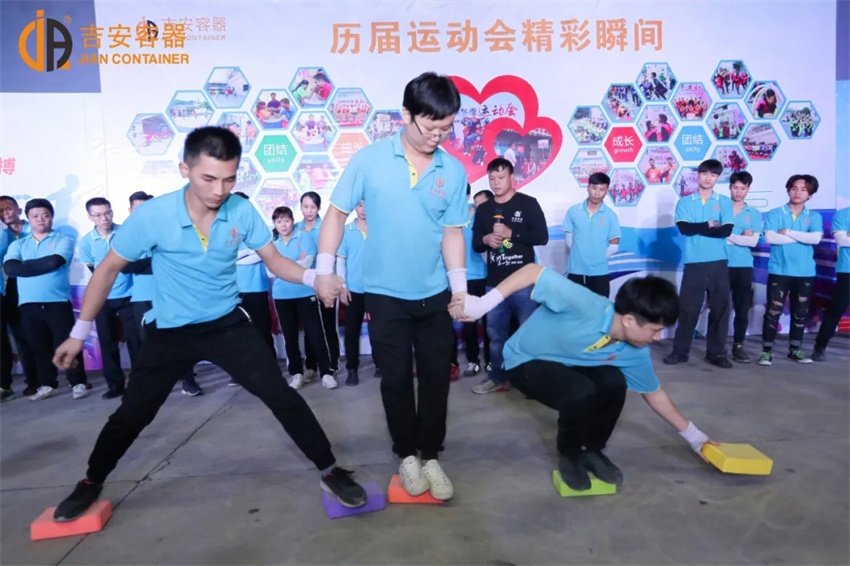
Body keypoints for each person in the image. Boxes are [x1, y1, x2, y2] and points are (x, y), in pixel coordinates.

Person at [50, 127, 366, 522]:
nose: (220, 190)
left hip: (227, 326)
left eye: (229, 179)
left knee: (282, 396)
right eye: (209, 178)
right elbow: (108, 269)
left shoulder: (240, 211)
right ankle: (91, 481)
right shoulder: (154, 215)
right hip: (171, 332)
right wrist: (79, 333)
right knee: (133, 413)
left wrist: (312, 277)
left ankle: (330, 469)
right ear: (185, 169)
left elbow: (273, 260)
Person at [313, 72, 468, 501]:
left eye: (446, 128)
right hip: (384, 294)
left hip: (434, 294)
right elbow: (336, 213)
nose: (438, 136)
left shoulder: (453, 170)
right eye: (430, 126)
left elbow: (453, 232)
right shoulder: (370, 160)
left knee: (436, 378)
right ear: (406, 115)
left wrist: (458, 288)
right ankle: (406, 454)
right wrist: (324, 269)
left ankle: (431, 454)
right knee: (395, 379)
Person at [459, 264, 718, 490]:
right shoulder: (584, 304)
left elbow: (654, 394)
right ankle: (569, 455)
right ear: (629, 320)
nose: (658, 338)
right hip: (525, 359)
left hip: (568, 363)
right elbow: (532, 272)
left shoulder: (636, 351)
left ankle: (592, 451)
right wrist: (482, 304)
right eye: (654, 330)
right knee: (580, 391)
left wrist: (695, 437)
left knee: (614, 383)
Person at [471, 157, 549, 394]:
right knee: (496, 336)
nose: (496, 182)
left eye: (501, 177)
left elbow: (542, 237)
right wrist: (486, 239)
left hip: (525, 284)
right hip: (495, 285)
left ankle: (534, 382)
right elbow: (476, 244)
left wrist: (510, 233)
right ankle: (498, 377)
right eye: (492, 178)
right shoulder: (484, 210)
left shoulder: (528, 203)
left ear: (512, 178)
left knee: (529, 334)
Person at [3, 199, 90, 401]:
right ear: (28, 218)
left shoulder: (63, 240)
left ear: (51, 217)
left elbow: (54, 262)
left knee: (66, 343)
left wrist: (25, 266)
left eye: (45, 215)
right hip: (28, 304)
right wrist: (37, 265)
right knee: (38, 347)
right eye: (35, 216)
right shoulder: (18, 244)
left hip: (57, 302)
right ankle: (48, 384)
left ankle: (77, 382)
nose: (40, 219)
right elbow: (10, 268)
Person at [125, 191, 203, 395]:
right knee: (148, 344)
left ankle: (188, 382)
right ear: (130, 211)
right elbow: (126, 266)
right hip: (142, 297)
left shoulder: (171, 231)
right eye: (138, 208)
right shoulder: (126, 235)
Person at [664, 159, 734, 369]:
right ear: (698, 175)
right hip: (694, 264)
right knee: (688, 310)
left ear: (718, 177)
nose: (708, 178)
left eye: (713, 174)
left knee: (720, 310)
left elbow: (725, 231)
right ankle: (680, 352)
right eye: (705, 173)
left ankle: (716, 353)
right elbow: (685, 229)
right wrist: (709, 224)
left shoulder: (724, 202)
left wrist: (699, 228)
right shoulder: (685, 202)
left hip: (719, 263)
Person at [78, 198, 142, 399]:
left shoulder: (126, 233)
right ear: (90, 217)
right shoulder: (86, 242)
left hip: (130, 295)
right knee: (107, 343)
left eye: (107, 213)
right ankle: (115, 384)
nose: (104, 218)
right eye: (98, 215)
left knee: (135, 341)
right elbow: (93, 269)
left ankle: (139, 384)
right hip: (103, 298)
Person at [759, 175, 823, 365]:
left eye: (803, 190)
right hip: (779, 270)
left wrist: (788, 232)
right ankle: (766, 351)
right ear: (788, 190)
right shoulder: (775, 213)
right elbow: (771, 238)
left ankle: (795, 350)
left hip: (805, 272)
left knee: (800, 312)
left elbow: (815, 239)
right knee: (773, 311)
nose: (798, 193)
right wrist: (802, 237)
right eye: (794, 188)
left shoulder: (814, 216)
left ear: (810, 194)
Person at [270, 205, 336, 390]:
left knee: (316, 333)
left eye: (286, 220)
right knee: (290, 336)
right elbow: (270, 271)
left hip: (306, 293)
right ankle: (296, 374)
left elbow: (307, 263)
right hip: (282, 296)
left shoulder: (304, 236)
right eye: (279, 221)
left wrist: (282, 266)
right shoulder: (272, 243)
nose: (283, 225)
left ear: (293, 221)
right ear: (275, 223)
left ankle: (327, 373)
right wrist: (294, 263)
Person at [296, 191, 340, 381]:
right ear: (300, 207)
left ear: (319, 208)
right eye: (305, 207)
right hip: (305, 285)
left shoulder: (326, 228)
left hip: (326, 284)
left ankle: (332, 364)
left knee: (328, 326)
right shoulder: (296, 229)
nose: (309, 211)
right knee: (310, 328)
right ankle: (311, 366)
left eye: (312, 207)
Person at [0, 196, 39, 395]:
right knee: (17, 337)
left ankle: (42, 378)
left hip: (33, 285)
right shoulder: (2, 234)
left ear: (18, 209)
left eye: (8, 208)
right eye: (1, 211)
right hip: (8, 289)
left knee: (32, 334)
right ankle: (28, 381)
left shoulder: (33, 227)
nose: (5, 213)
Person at [562, 172, 621, 298]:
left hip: (600, 274)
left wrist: (597, 258)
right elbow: (569, 242)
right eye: (594, 188)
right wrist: (582, 256)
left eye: (602, 189)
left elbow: (614, 246)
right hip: (575, 272)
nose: (597, 193)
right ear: (588, 188)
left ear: (607, 191)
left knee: (600, 309)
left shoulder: (611, 216)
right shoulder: (573, 211)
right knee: (574, 308)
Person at [724, 172, 763, 363]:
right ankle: (716, 346)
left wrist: (727, 235)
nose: (738, 192)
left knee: (741, 308)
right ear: (730, 187)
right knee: (719, 308)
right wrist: (741, 237)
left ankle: (738, 346)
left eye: (743, 188)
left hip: (743, 266)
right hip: (720, 264)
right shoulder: (720, 208)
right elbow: (712, 236)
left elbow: (753, 242)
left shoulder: (754, 214)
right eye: (735, 187)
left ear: (748, 189)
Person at [336, 200, 376, 386]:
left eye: (367, 204)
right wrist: (343, 287)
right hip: (354, 290)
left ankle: (381, 364)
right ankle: (352, 369)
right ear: (355, 207)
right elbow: (341, 260)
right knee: (352, 331)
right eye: (360, 205)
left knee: (379, 330)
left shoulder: (380, 228)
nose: (364, 209)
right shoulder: (346, 230)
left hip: (377, 290)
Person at [459, 187, 491, 377]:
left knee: (489, 323)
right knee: (469, 323)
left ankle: (491, 361)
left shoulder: (485, 215)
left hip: (486, 276)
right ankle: (473, 361)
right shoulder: (452, 217)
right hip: (465, 278)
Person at [812, 206, 850, 361]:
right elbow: (842, 240)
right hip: (847, 269)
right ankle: (820, 346)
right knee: (836, 309)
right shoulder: (843, 214)